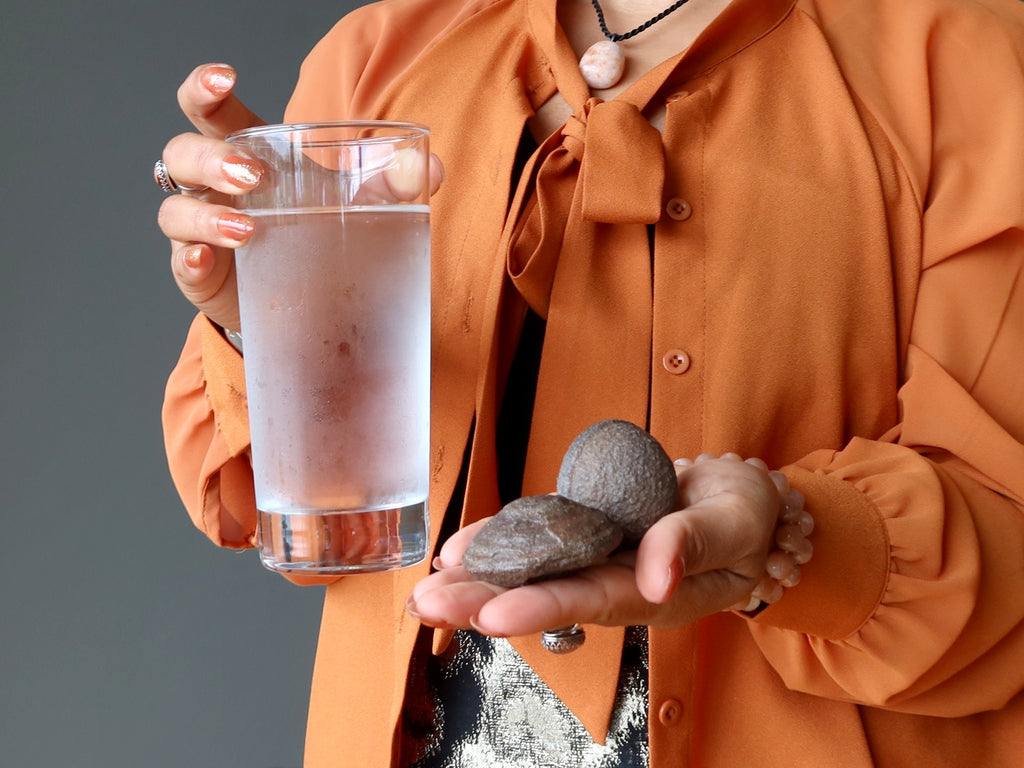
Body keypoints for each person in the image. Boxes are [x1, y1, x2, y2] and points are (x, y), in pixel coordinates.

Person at [157, 0, 1024, 764]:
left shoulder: (968, 59)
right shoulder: (381, 56)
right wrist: (268, 324)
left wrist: (788, 538)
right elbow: (315, 530)